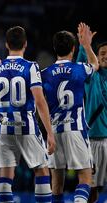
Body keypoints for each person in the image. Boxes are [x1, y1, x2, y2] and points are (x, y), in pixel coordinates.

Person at [0, 26, 55, 203]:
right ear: (25, 44)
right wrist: (50, 132)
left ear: (7, 45)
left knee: (6, 175)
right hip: (27, 127)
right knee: (41, 169)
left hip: (3, 128)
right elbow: (40, 101)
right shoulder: (31, 67)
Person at [41, 23, 98, 203]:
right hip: (76, 129)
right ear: (73, 49)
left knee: (56, 182)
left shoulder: (44, 73)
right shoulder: (80, 69)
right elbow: (95, 64)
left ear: (54, 49)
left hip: (54, 132)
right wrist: (87, 45)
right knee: (85, 176)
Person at [77, 36, 106, 203]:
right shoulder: (92, 77)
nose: (105, 56)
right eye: (102, 53)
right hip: (94, 139)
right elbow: (80, 66)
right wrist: (83, 46)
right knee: (92, 188)